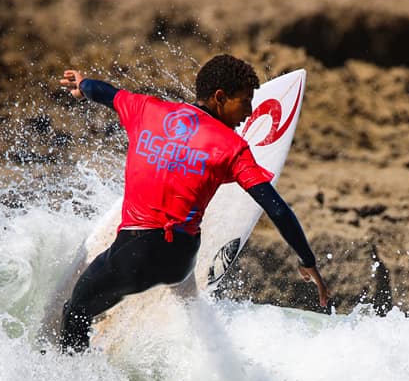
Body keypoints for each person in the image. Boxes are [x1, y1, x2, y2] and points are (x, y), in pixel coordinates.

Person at [58, 54, 329, 352]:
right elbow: (276, 208)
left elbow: (106, 93)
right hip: (182, 259)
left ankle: (73, 375)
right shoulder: (233, 148)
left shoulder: (145, 109)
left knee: (76, 310)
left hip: (136, 253)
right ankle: (182, 319)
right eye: (245, 101)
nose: (250, 111)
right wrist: (307, 260)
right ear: (220, 97)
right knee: (163, 271)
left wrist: (83, 84)